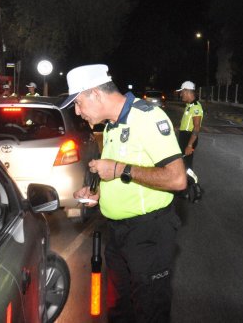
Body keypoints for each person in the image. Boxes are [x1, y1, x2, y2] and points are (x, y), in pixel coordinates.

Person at [62, 64, 187, 322]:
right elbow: (119, 175)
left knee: (149, 312)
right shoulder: (111, 127)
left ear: (95, 93)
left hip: (148, 235)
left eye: (78, 103)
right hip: (117, 235)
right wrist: (99, 194)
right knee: (119, 310)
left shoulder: (148, 117)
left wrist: (120, 169)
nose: (77, 111)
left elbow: (176, 179)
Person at [176, 80, 204, 203]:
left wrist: (189, 144)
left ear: (187, 91)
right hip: (184, 137)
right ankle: (185, 192)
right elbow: (186, 125)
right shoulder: (189, 106)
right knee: (183, 165)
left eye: (182, 92)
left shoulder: (196, 107)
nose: (181, 94)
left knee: (187, 167)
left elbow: (196, 127)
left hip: (189, 139)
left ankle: (197, 189)